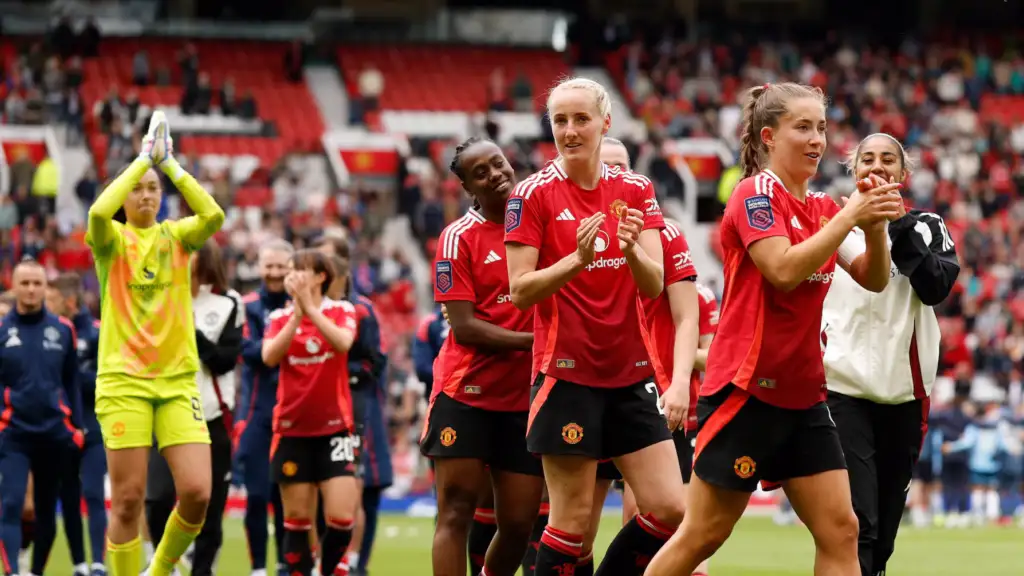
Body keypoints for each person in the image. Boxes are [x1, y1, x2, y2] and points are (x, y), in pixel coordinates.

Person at [645, 82, 904, 576]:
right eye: (802, 127)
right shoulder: (754, 194)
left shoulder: (823, 207)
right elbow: (782, 269)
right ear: (769, 136)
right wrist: (851, 215)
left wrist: (873, 228)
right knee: (703, 535)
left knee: (841, 530)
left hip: (803, 395)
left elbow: (873, 278)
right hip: (746, 392)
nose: (817, 139)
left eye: (821, 128)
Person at [505, 77, 684, 576]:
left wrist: (630, 251)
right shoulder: (531, 195)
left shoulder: (635, 188)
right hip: (567, 375)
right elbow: (520, 290)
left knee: (671, 509)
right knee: (572, 523)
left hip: (630, 374)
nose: (569, 130)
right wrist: (577, 260)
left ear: (605, 123)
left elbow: (654, 284)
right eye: (559, 120)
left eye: (581, 119)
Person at [85, 111, 225, 576]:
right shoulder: (110, 240)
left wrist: (170, 166)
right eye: (137, 189)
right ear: (124, 195)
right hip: (123, 382)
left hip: (177, 381)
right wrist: (142, 160)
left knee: (198, 492)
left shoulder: (176, 237)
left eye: (153, 189)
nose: (146, 195)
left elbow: (213, 215)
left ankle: (159, 570)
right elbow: (97, 212)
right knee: (128, 500)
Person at [822, 133, 961, 576]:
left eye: (888, 159)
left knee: (883, 535)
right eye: (867, 159)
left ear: (904, 173)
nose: (877, 166)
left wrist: (898, 224)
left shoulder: (927, 225)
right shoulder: (831, 224)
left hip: (904, 394)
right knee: (857, 522)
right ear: (853, 170)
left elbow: (936, 288)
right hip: (842, 390)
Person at [422, 137, 543, 576]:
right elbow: (465, 327)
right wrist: (535, 342)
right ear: (468, 188)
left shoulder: (541, 225)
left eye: (497, 163)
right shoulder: (458, 237)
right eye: (480, 172)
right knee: (455, 513)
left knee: (519, 524)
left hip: (524, 399)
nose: (494, 174)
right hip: (466, 394)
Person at [146, 239, 244, 576]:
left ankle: (202, 570)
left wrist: (189, 327)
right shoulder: (156, 298)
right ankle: (167, 564)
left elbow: (225, 360)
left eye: (187, 253)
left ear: (204, 259)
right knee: (157, 498)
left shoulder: (228, 302)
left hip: (212, 415)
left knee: (210, 506)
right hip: (166, 412)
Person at [262, 249, 360, 576]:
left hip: (335, 431)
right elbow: (269, 357)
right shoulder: (279, 317)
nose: (290, 276)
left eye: (298, 270)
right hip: (292, 431)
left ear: (320, 276)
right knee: (297, 523)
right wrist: (297, 314)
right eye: (289, 270)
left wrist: (310, 309)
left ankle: (327, 570)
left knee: (342, 520)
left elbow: (343, 343)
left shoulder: (342, 310)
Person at [0, 258, 83, 576]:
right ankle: (12, 572)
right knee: (11, 503)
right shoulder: (2, 330)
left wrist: (77, 426)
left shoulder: (63, 330)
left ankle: (35, 571)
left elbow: (72, 381)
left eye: (37, 283)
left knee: (46, 512)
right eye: (25, 283)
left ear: (45, 287)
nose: (32, 289)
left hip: (54, 433)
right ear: (14, 287)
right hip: (14, 434)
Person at [236, 238, 293, 576]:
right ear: (259, 268)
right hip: (258, 416)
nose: (274, 273)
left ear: (291, 269)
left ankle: (286, 564)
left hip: (294, 415)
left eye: (281, 266)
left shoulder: (304, 304)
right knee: (257, 497)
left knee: (287, 499)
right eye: (269, 266)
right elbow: (251, 352)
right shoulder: (246, 306)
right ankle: (258, 568)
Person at [45, 272, 107, 576]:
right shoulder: (51, 333)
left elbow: (107, 381)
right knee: (68, 496)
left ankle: (98, 563)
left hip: (94, 426)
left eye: (52, 299)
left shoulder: (98, 332)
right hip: (62, 427)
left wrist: (72, 376)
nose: (47, 305)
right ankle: (79, 564)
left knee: (94, 493)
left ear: (69, 301)